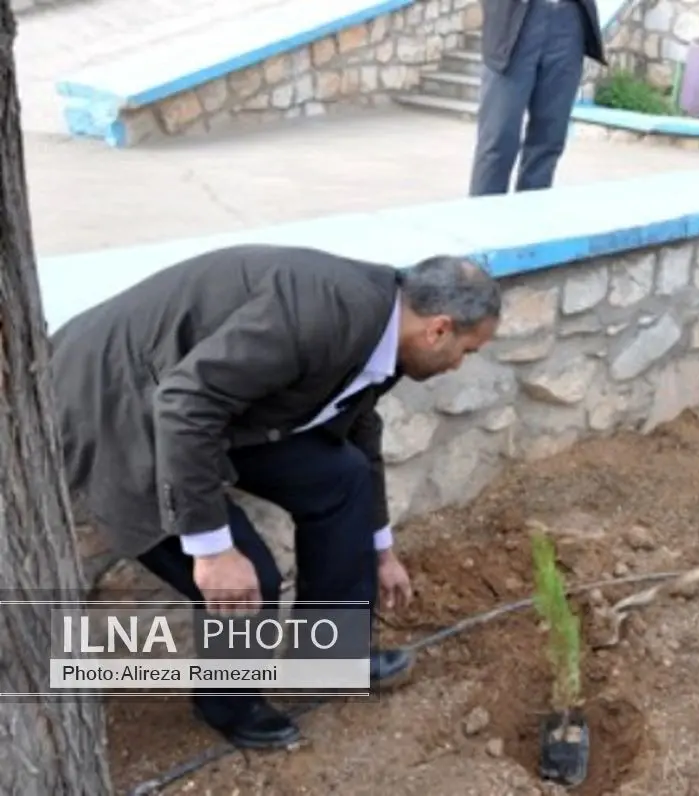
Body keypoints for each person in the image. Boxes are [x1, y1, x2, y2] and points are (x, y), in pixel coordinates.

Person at [50, 245, 501, 748]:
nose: (461, 365)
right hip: (120, 406)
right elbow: (183, 405)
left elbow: (357, 425)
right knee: (251, 577)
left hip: (210, 409)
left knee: (344, 477)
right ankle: (227, 704)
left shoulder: (391, 329)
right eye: (468, 351)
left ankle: (329, 656)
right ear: (438, 329)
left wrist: (381, 548)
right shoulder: (319, 316)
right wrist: (212, 549)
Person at [469, 0, 606, 196]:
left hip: (568, 21)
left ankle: (530, 221)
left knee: (549, 138)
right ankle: (484, 221)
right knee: (498, 138)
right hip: (515, 21)